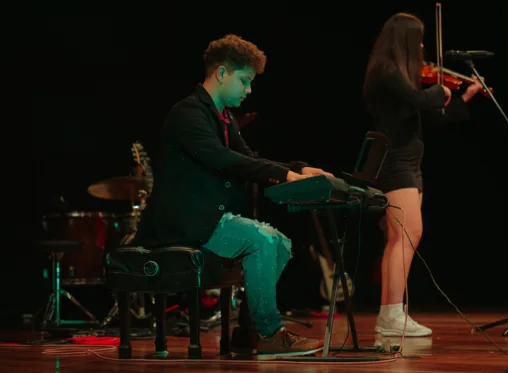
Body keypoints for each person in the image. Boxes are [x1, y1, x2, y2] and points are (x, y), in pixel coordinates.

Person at [133, 34, 331, 357]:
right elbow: (224, 160)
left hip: (207, 220)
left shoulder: (225, 119)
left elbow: (249, 158)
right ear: (221, 74)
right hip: (184, 224)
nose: (249, 90)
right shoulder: (188, 114)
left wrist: (300, 169)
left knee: (280, 243)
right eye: (244, 80)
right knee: (264, 240)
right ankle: (269, 333)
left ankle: (247, 332)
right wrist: (285, 174)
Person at [362, 13, 485, 337]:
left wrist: (461, 97)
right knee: (407, 234)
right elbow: (420, 99)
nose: (420, 47)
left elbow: (430, 118)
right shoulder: (387, 71)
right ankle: (390, 314)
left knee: (400, 237)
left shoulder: (401, 74)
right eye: (417, 40)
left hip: (409, 163)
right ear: (404, 39)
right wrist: (439, 91)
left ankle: (391, 314)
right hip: (395, 162)